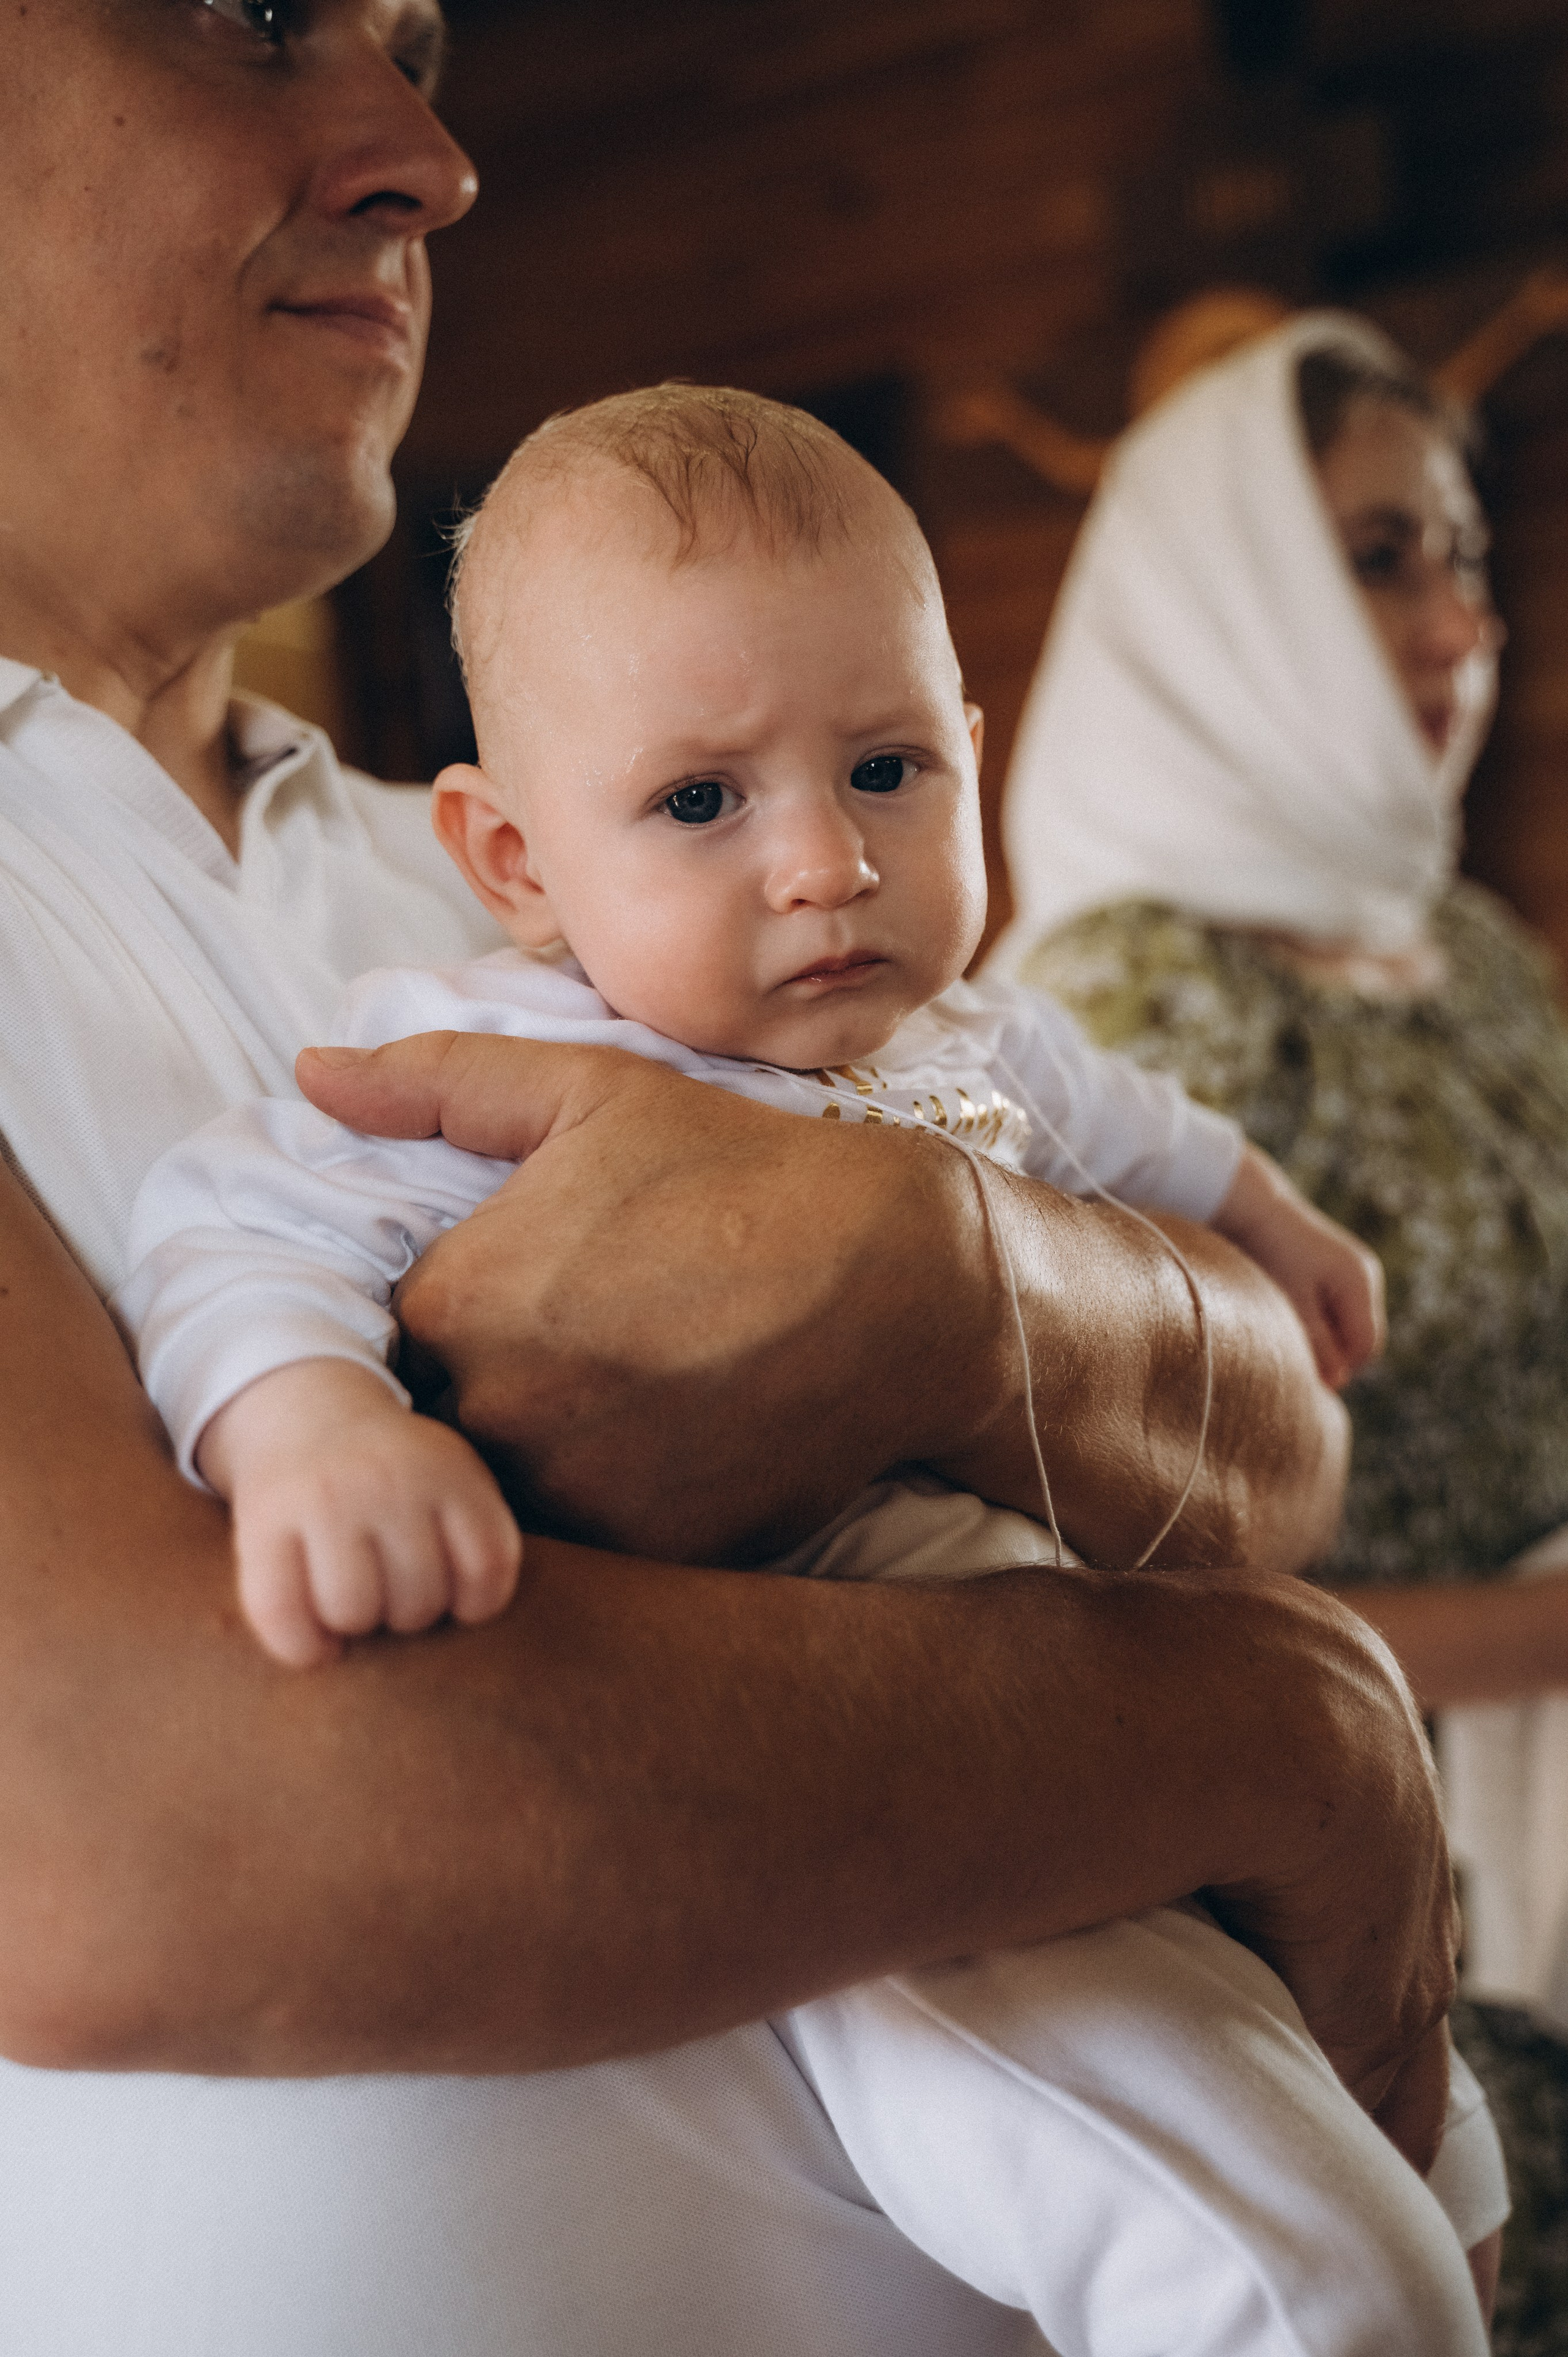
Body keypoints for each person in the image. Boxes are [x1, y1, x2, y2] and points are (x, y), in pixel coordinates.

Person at [0, 9, 1468, 2349]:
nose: (430, 158)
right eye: (255, 10)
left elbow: (1271, 1426)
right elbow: (111, 1834)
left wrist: (927, 1261)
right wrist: (1284, 1733)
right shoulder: (520, 967)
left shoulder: (538, 860)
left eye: (419, 40)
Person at [1000, 307, 1568, 2347]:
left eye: (1473, 558)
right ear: (1218, 588)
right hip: (1383, 1930)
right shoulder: (1133, 1014)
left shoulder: (1475, 956)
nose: (1456, 623)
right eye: (1380, 555)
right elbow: (1121, 1615)